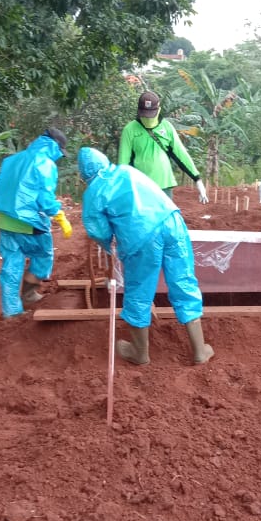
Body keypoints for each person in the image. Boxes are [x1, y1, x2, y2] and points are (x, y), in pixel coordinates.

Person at [77, 147, 213, 365]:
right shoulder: (126, 171)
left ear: (83, 174)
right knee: (184, 282)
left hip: (141, 235)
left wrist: (109, 244)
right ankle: (199, 352)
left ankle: (140, 354)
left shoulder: (94, 191)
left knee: (139, 291)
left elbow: (98, 231)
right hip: (173, 222)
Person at [0, 129, 72, 317]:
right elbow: (45, 198)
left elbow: (0, 188)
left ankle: (11, 311)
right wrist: (59, 215)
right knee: (43, 255)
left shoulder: (12, 160)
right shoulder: (45, 163)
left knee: (11, 264)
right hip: (29, 221)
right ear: (54, 147)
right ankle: (28, 294)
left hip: (5, 220)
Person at [118, 91, 208, 202]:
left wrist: (197, 179)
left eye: (150, 115)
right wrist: (123, 188)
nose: (148, 118)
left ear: (158, 110)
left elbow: (181, 154)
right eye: (144, 115)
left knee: (165, 218)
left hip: (164, 186)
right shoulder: (130, 130)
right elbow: (123, 162)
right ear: (139, 111)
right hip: (140, 187)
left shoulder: (167, 127)